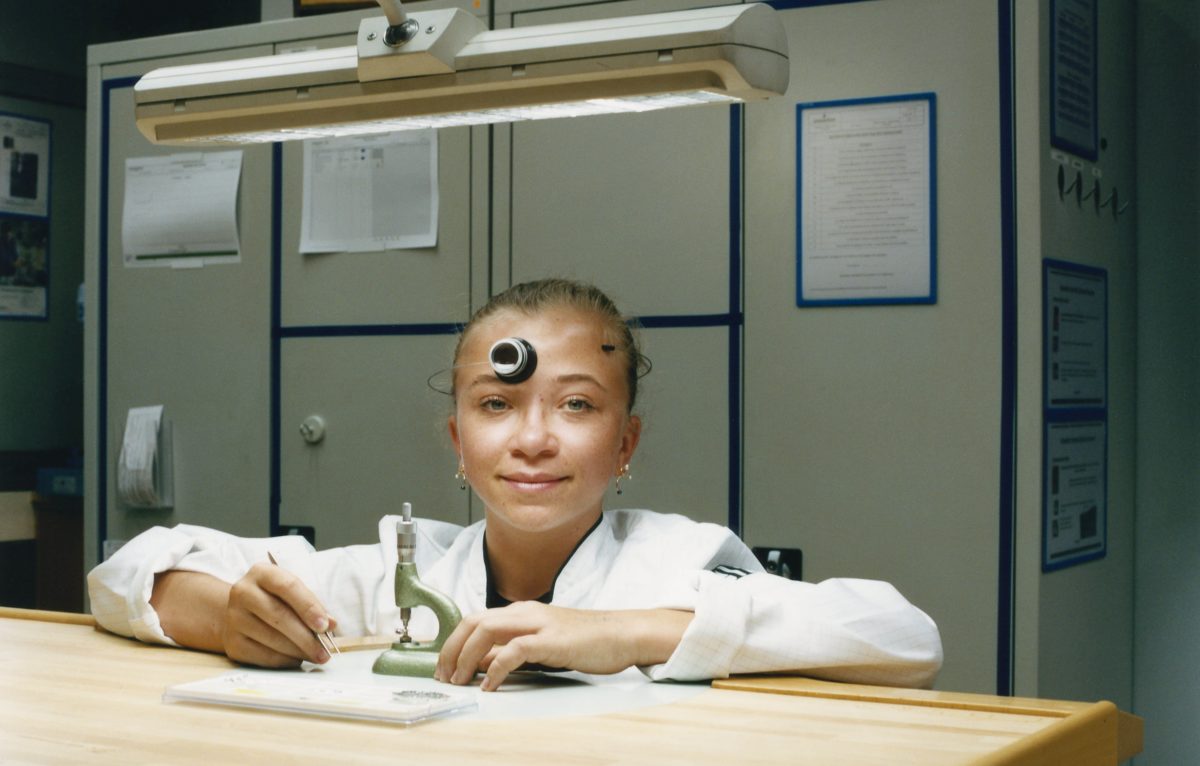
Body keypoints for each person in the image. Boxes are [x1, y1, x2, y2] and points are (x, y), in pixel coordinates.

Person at [88, 278, 943, 691]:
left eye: (576, 404)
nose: (533, 437)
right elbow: (125, 573)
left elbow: (905, 636)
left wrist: (623, 634)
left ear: (625, 443)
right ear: (458, 444)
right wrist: (233, 615)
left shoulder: (676, 566)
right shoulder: (406, 576)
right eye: (497, 405)